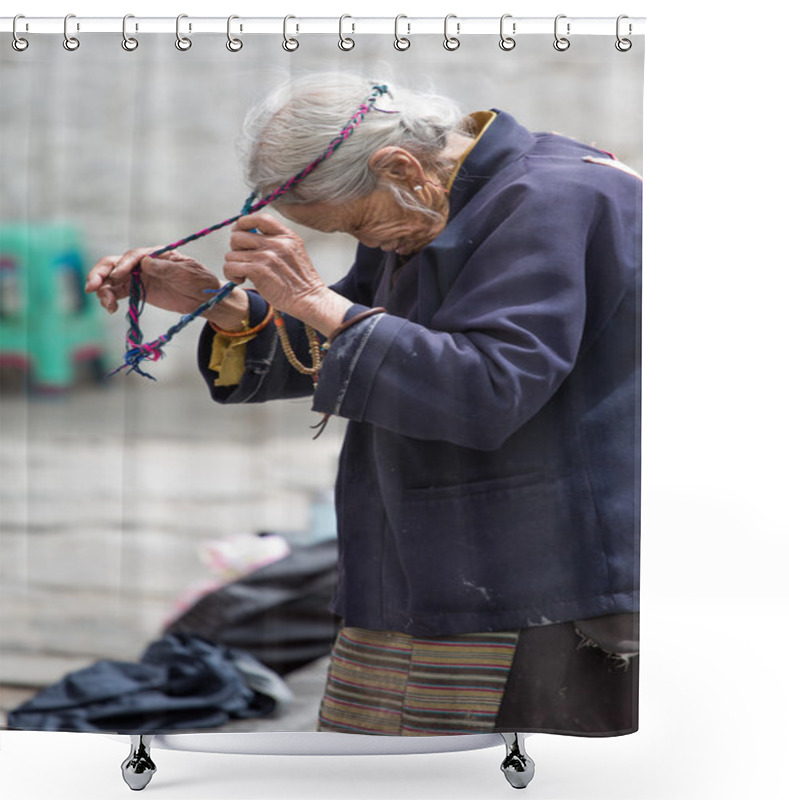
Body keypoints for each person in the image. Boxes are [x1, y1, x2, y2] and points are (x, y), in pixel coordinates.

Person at [86, 73, 642, 737]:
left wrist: (315, 300)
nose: (368, 244)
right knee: (373, 768)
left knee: (491, 773)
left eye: (353, 225)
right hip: (409, 555)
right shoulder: (424, 202)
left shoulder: (561, 196)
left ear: (399, 164)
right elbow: (353, 334)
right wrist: (225, 304)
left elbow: (493, 385)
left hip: (536, 569)